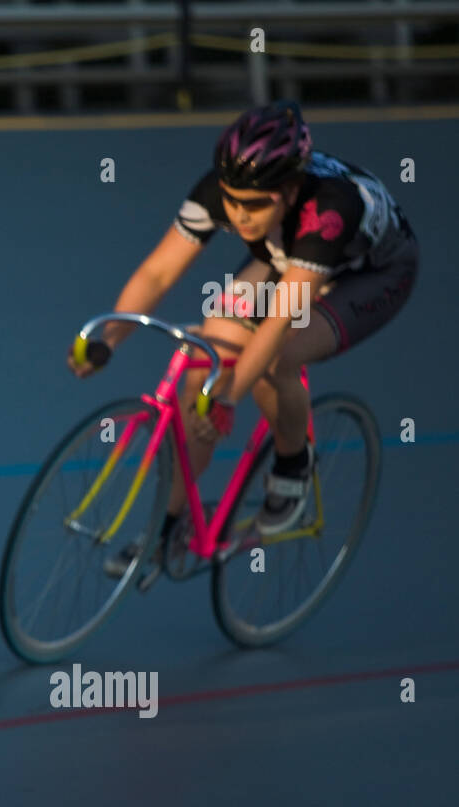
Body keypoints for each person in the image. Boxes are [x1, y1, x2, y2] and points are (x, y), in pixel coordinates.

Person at [72, 100, 418, 583]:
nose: (239, 215)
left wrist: (230, 397)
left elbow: (278, 321)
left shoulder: (331, 209)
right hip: (287, 255)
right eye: (232, 201)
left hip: (371, 274)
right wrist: (109, 337)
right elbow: (158, 271)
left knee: (279, 354)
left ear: (291, 190)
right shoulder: (220, 192)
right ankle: (165, 529)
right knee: (203, 361)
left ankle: (293, 472)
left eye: (255, 205)